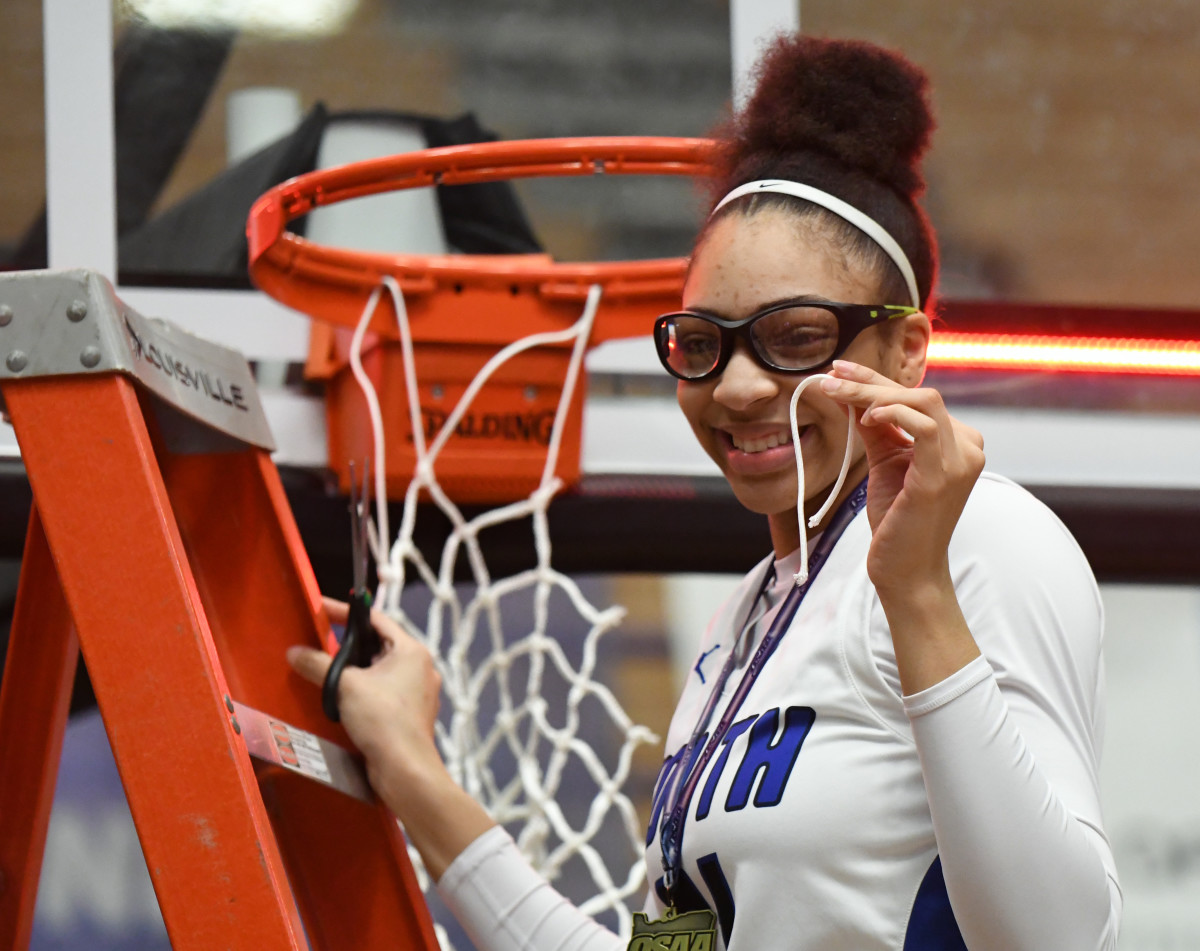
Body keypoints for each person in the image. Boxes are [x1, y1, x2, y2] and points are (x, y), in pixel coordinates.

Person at [288, 34, 1122, 951]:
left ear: (907, 350)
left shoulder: (981, 536)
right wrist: (410, 764)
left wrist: (919, 588)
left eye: (795, 337)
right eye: (700, 342)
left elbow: (1061, 938)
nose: (735, 386)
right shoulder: (745, 622)